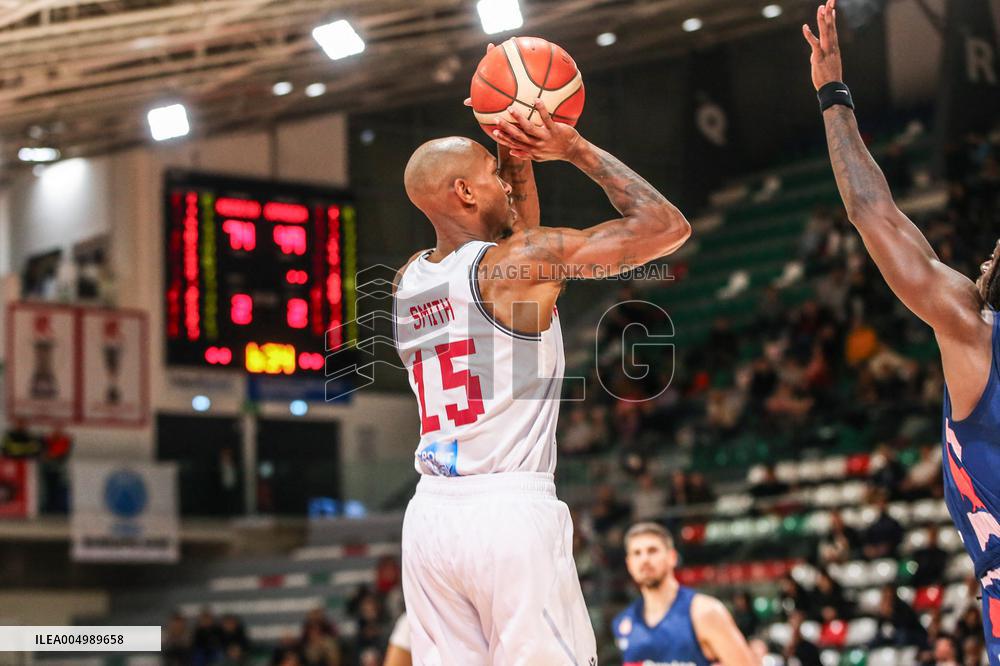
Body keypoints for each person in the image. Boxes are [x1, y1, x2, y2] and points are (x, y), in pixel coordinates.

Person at [392, 47, 691, 662]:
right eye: (488, 174)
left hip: (429, 522)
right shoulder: (517, 267)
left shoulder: (406, 282)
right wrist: (573, 148)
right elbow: (665, 226)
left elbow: (509, 235)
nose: (502, 181)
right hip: (507, 513)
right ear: (461, 192)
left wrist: (512, 155)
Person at [806, 0, 1000, 651]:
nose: (985, 253)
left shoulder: (976, 334)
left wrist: (834, 96)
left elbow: (873, 212)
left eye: (995, 253)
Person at [611, 523, 758, 665]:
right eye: (637, 553)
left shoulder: (705, 612)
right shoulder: (623, 622)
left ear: (672, 557)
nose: (645, 559)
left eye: (652, 550)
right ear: (629, 564)